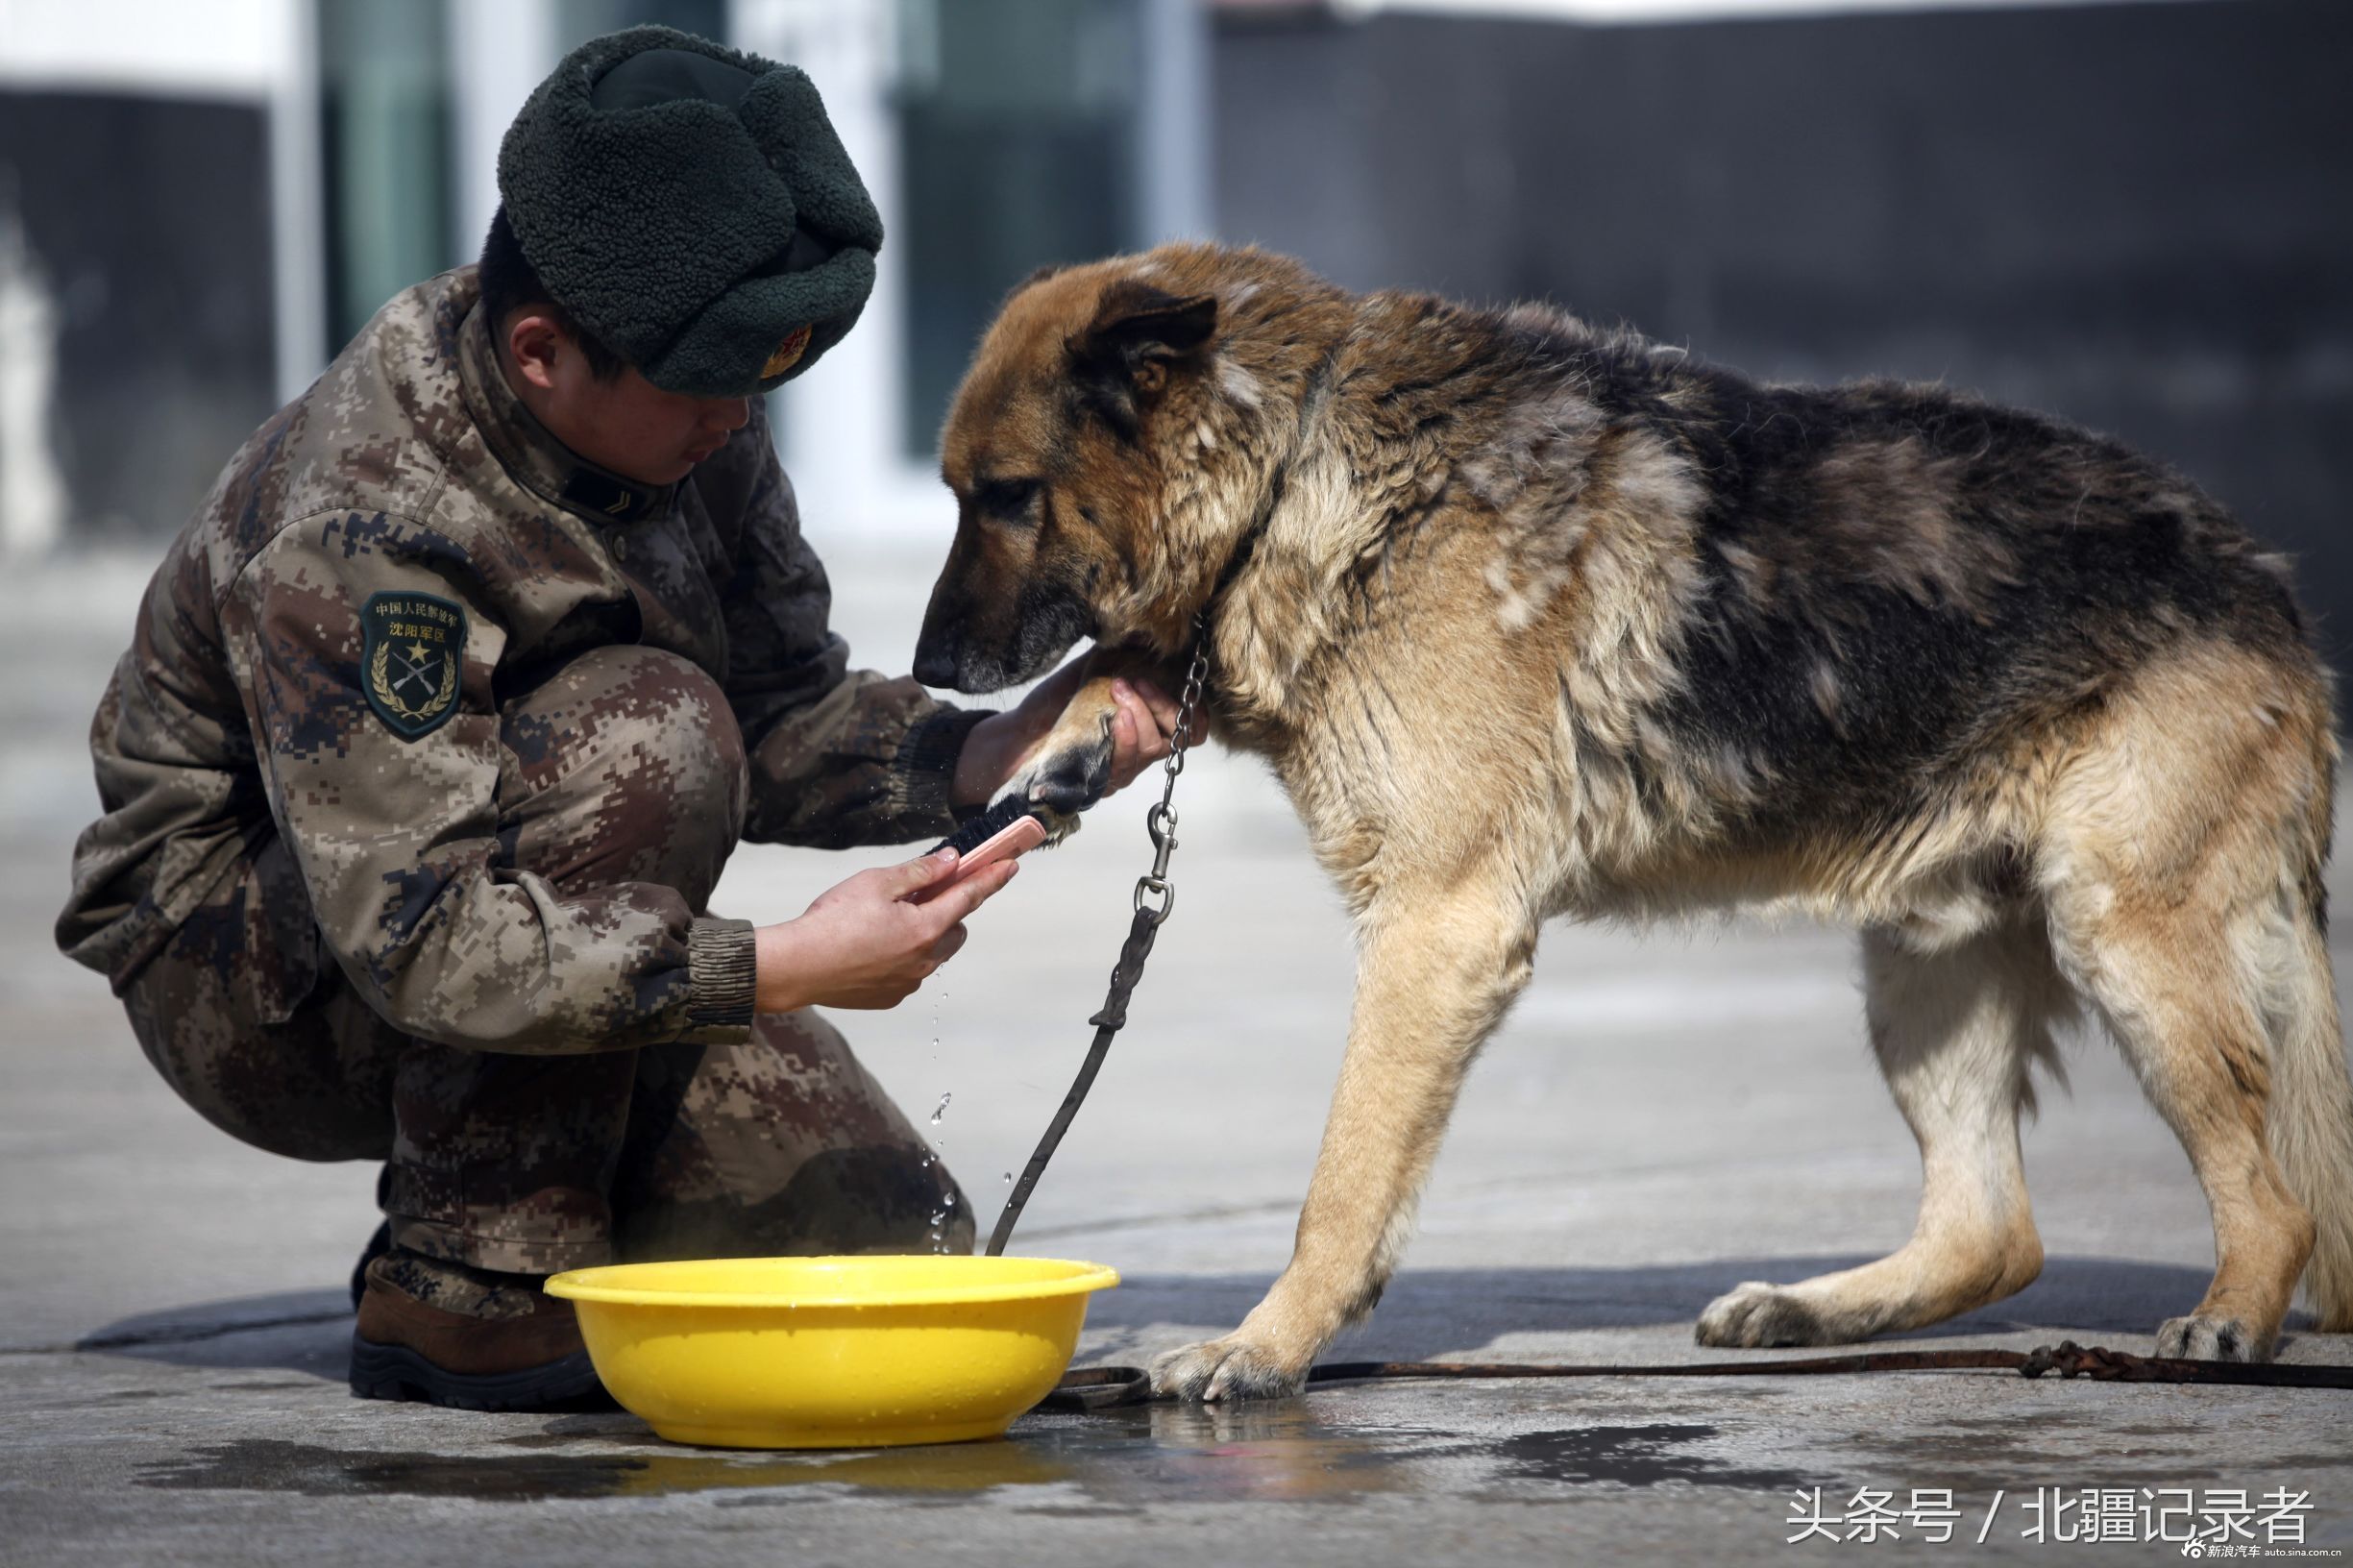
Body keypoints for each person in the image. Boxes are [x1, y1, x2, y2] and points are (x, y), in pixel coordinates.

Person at [54, 25, 1182, 1412]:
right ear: (541, 352)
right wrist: (780, 966)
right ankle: (471, 1280)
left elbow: (779, 710)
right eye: (709, 384)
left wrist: (981, 754)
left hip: (533, 891)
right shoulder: (370, 520)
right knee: (650, 726)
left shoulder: (684, 409)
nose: (741, 415)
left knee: (880, 1245)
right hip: (262, 970)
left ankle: (569, 1196)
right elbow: (416, 933)